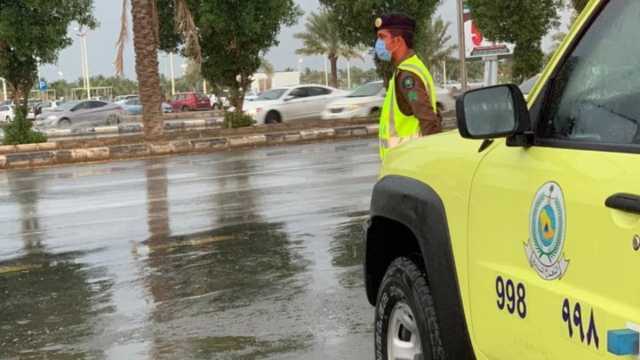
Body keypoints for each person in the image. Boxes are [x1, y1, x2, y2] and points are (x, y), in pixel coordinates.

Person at [374, 14, 442, 160]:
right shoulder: (408, 68)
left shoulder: (407, 77)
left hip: (409, 162)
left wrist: (435, 157)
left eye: (382, 37)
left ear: (398, 41)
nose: (378, 43)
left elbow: (427, 117)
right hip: (405, 161)